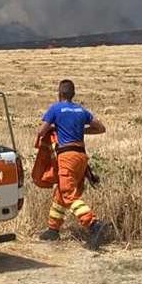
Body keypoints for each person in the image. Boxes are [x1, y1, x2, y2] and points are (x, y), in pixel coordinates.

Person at [37, 79, 109, 249]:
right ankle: (53, 229)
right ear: (73, 94)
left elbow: (41, 131)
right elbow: (101, 128)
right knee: (61, 193)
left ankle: (94, 225)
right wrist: (81, 130)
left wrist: (56, 128)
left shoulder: (55, 108)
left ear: (59, 93)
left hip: (66, 157)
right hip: (81, 158)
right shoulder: (81, 110)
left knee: (69, 193)